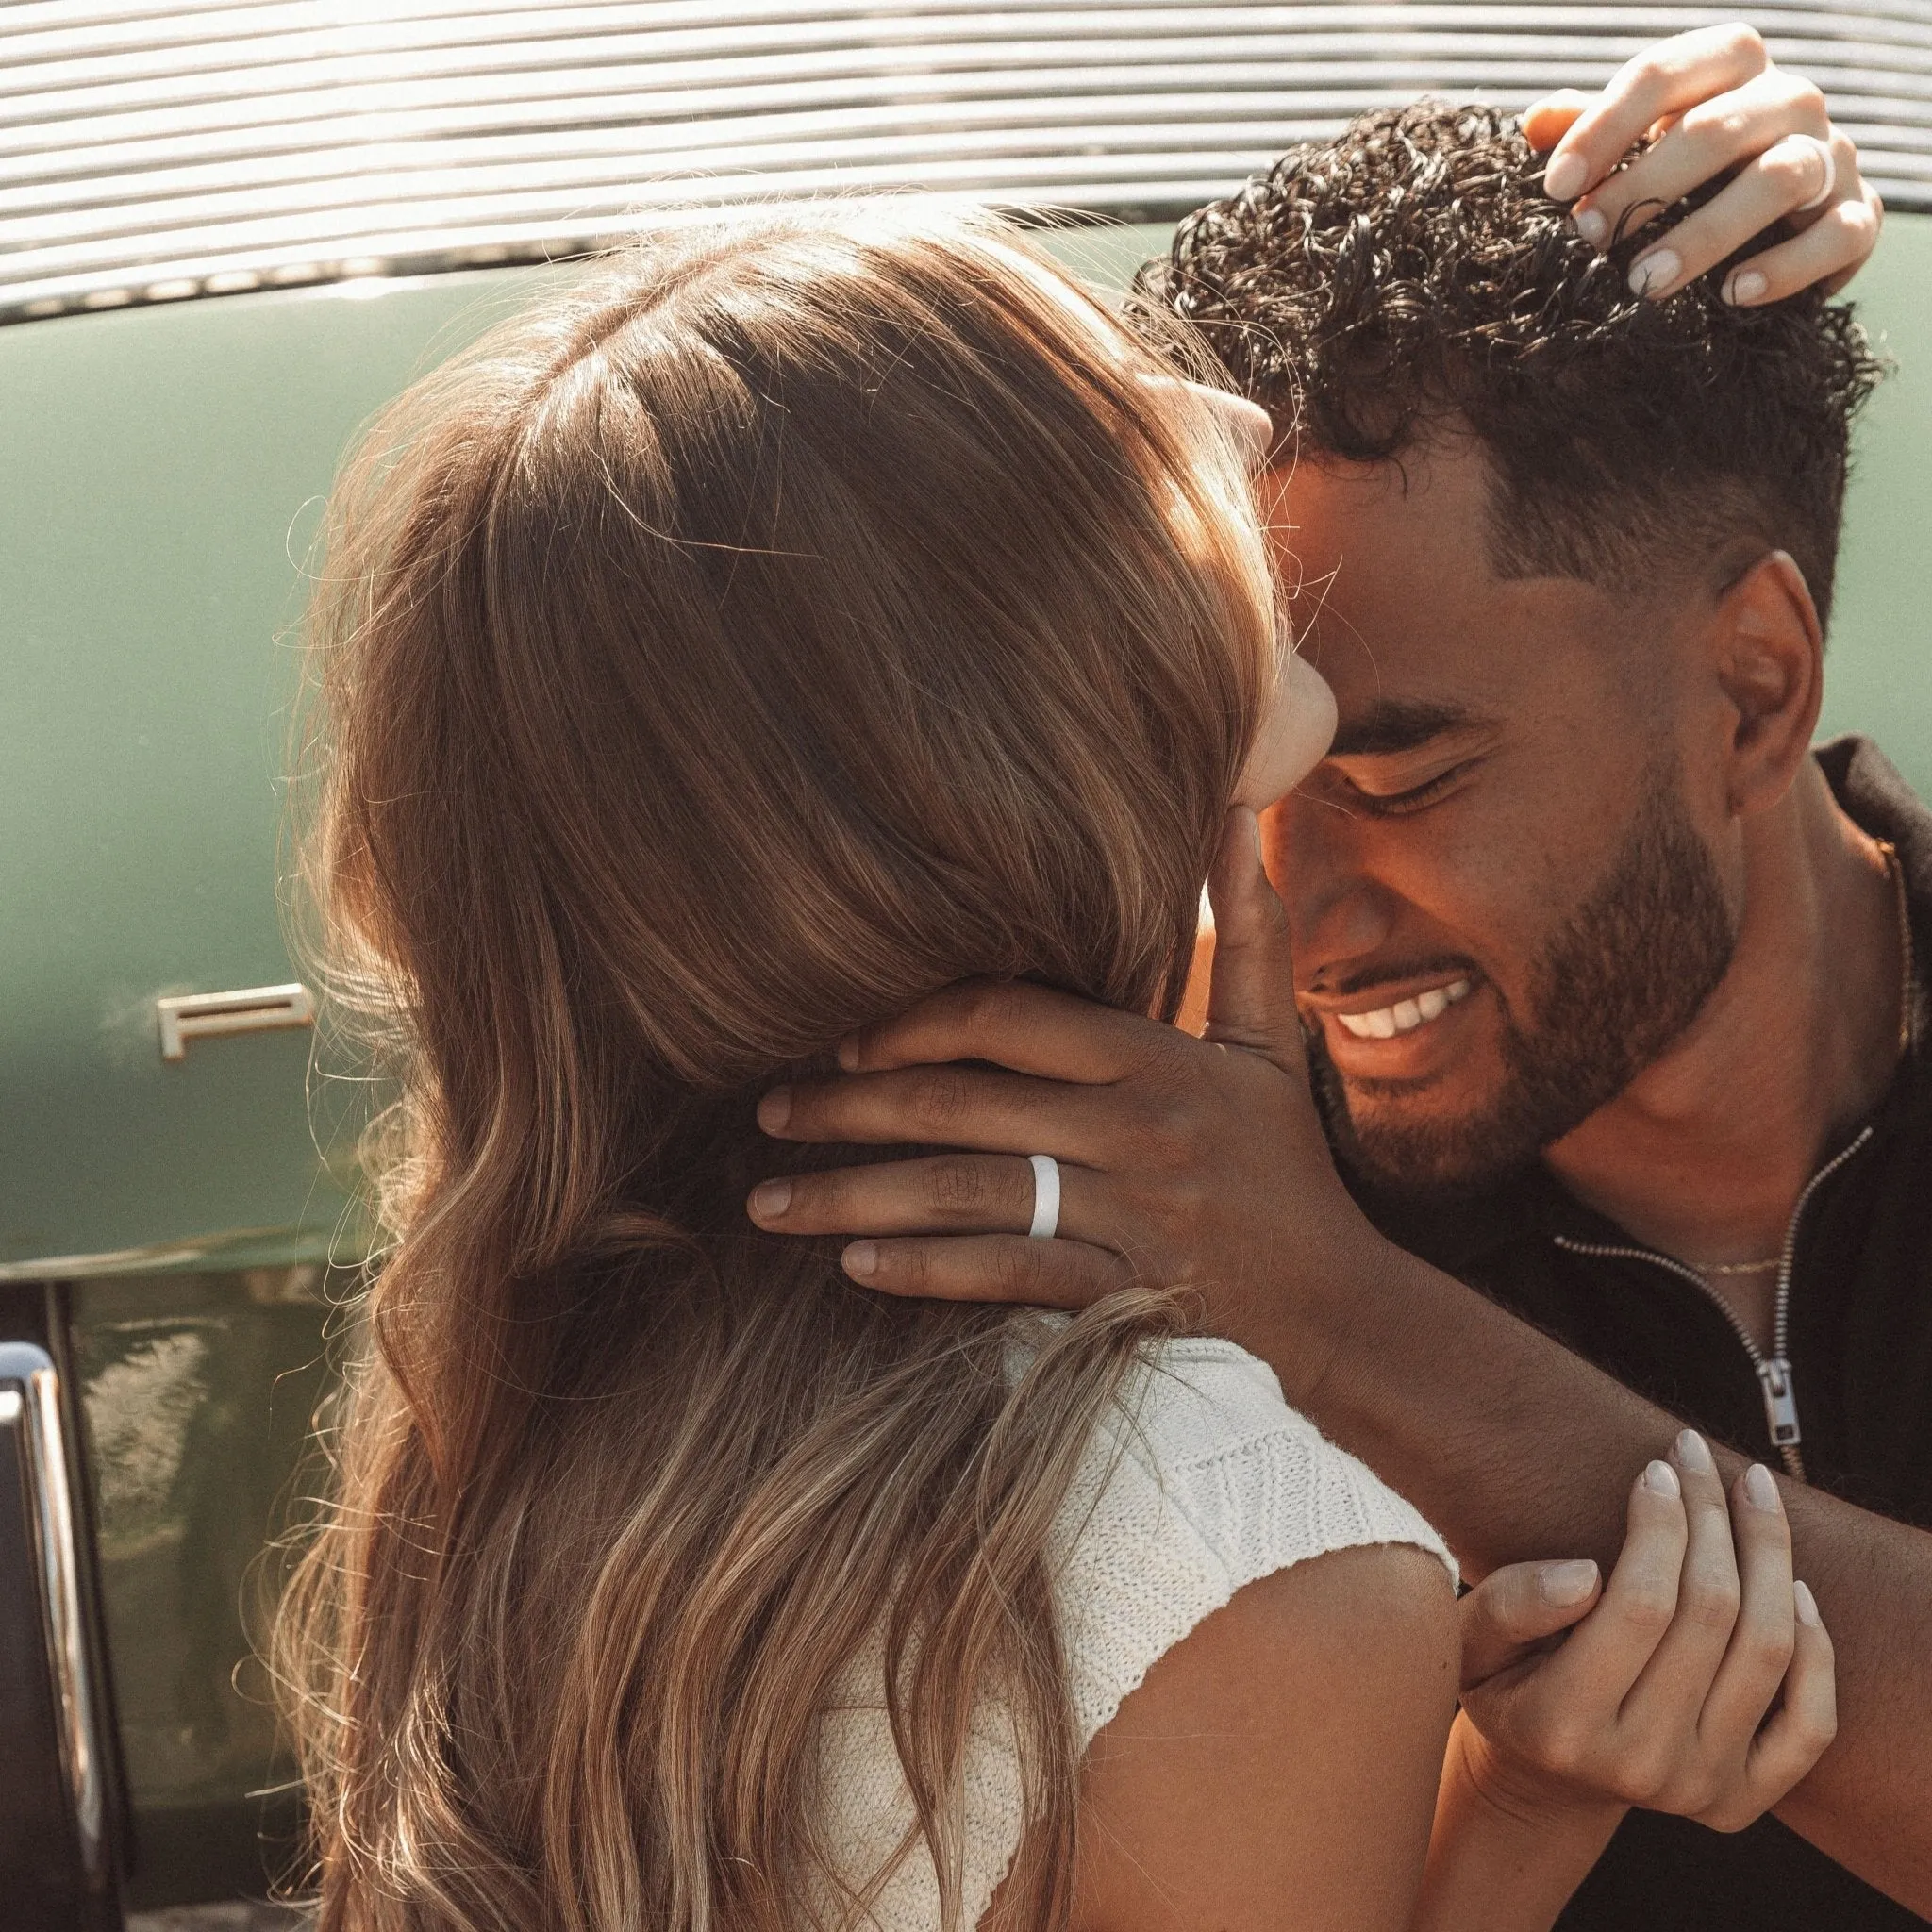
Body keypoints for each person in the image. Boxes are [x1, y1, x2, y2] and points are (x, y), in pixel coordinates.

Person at [274, 203, 1833, 1932]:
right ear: (1016, 714)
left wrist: (1517, 1809)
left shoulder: (524, 1448)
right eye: (1119, 424)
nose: (1234, 423)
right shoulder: (1223, 1535)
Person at [740, 28, 1932, 1932]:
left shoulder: (1264, 1256)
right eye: (1241, 785)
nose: (1288, 904)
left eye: (1393, 777)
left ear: (1753, 685)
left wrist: (1345, 1319)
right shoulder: (1151, 1216)